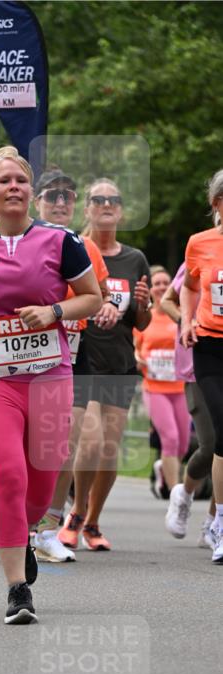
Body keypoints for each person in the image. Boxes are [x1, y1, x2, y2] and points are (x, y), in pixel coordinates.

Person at [0, 146, 101, 624]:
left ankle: (25, 525)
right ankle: (18, 589)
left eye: (20, 180)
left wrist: (54, 311)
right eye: (4, 181)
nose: (13, 187)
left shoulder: (62, 241)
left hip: (49, 375)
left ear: (30, 191)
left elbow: (92, 298)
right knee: (9, 474)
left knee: (40, 487)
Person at [29, 168, 117, 563]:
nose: (61, 202)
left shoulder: (86, 247)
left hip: (74, 353)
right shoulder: (21, 242)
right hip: (26, 354)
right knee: (25, 444)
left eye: (68, 195)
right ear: (37, 201)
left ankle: (49, 526)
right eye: (52, 195)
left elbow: (99, 294)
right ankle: (13, 499)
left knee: (66, 442)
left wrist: (110, 307)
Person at [59, 178, 151, 551]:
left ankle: (93, 521)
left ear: (122, 210)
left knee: (109, 452)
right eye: (98, 199)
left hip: (120, 362)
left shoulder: (135, 259)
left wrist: (143, 304)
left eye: (114, 199)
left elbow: (141, 323)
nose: (106, 205)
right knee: (91, 442)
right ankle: (76, 512)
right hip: (83, 358)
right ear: (87, 208)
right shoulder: (75, 249)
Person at [180, 168, 223, 564]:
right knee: (221, 434)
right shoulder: (200, 243)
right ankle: (221, 523)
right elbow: (190, 287)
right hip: (210, 346)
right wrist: (185, 322)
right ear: (217, 204)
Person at [162, 263, 216, 546]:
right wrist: (187, 321)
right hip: (200, 366)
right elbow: (167, 301)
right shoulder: (202, 251)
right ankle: (184, 493)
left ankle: (212, 524)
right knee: (211, 445)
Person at [133, 266, 189, 497]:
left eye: (166, 282)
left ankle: (162, 468)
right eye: (157, 283)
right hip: (154, 387)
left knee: (184, 444)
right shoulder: (146, 319)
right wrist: (140, 361)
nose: (162, 287)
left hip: (181, 387)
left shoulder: (182, 314)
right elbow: (135, 351)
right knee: (171, 438)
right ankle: (175, 493)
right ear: (150, 289)